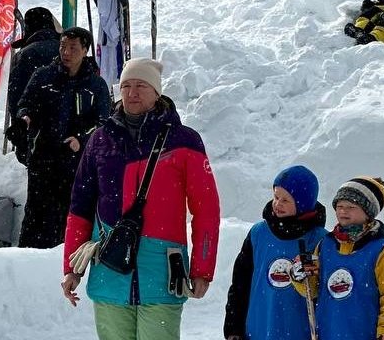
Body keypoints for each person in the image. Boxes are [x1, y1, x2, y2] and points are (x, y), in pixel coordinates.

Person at [62, 58, 221, 339]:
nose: (132, 93)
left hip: (161, 273)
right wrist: (72, 268)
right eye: (126, 86)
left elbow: (206, 209)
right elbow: (80, 207)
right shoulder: (100, 140)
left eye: (141, 86)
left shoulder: (184, 141)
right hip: (109, 270)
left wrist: (202, 268)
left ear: (157, 93)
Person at [16, 27, 111, 248]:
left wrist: (81, 140)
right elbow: (25, 104)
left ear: (85, 50)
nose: (66, 52)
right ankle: (26, 257)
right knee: (36, 211)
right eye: (63, 47)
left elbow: (103, 122)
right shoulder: (43, 75)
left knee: (69, 211)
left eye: (73, 48)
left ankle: (63, 253)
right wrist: (25, 118)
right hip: (43, 156)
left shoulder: (95, 85)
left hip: (77, 161)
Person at [292, 176, 384, 340]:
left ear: (368, 212)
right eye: (339, 206)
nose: (343, 211)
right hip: (327, 332)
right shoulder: (325, 245)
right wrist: (300, 276)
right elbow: (313, 289)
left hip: (364, 333)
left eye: (351, 206)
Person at [223, 165, 327, 340]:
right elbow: (241, 283)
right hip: (259, 327)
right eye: (276, 197)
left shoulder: (320, 240)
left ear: (302, 203)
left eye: (286, 200)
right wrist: (234, 326)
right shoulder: (258, 234)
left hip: (299, 329)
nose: (278, 204)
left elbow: (324, 292)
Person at [4, 7, 60, 164]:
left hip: (36, 132)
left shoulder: (25, 55)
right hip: (68, 133)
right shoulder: (68, 50)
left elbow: (17, 97)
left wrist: (19, 135)